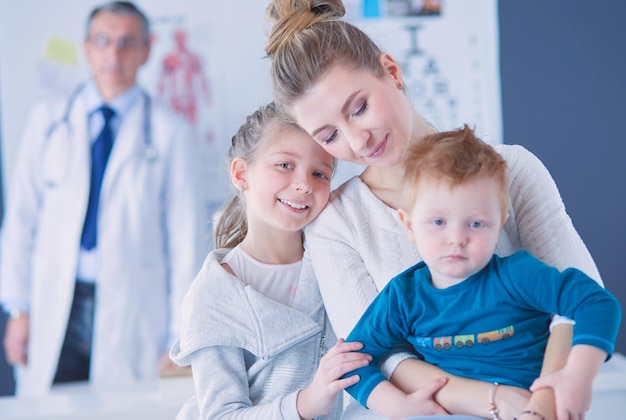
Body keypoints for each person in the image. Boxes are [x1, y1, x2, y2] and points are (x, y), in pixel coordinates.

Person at [264, 0, 605, 418]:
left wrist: (544, 401)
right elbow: (376, 356)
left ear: (391, 71)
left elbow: (580, 298)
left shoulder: (511, 168)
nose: (358, 141)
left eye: (360, 108)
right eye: (330, 135)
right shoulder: (337, 223)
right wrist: (498, 401)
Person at [342, 125, 621, 420]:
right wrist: (391, 403)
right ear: (409, 225)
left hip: (532, 409)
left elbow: (597, 302)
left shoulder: (518, 275)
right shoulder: (402, 297)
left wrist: (577, 375)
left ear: (499, 222)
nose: (456, 238)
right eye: (438, 222)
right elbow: (352, 361)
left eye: (475, 224)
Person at [0, 1, 208, 397]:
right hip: (54, 301)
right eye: (104, 41)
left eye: (127, 42)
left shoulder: (171, 133)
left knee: (119, 407)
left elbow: (186, 243)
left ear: (147, 50)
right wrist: (18, 310)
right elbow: (20, 223)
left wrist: (180, 335)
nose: (115, 53)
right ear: (87, 47)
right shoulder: (47, 121)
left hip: (132, 309)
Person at [169, 102, 372, 419]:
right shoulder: (213, 295)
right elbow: (221, 415)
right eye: (285, 166)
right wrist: (306, 402)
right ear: (241, 173)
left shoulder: (334, 264)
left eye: (320, 173)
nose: (304, 184)